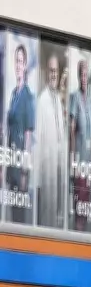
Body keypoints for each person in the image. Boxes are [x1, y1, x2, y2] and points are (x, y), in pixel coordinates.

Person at [34, 52, 67, 228]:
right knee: (46, 214)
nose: (54, 74)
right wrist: (37, 178)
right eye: (51, 71)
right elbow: (37, 141)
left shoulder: (58, 101)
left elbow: (61, 138)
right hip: (46, 170)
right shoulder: (42, 100)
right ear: (47, 73)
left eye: (56, 71)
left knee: (56, 214)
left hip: (58, 169)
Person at [6, 43, 35, 224]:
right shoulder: (13, 94)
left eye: (21, 61)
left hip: (21, 165)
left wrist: (24, 170)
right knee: (11, 215)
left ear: (25, 66)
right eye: (16, 61)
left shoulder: (27, 95)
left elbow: (28, 135)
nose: (18, 65)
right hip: (11, 161)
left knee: (19, 218)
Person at [68, 58, 91, 232]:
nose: (84, 78)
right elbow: (72, 130)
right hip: (79, 159)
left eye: (86, 75)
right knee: (79, 197)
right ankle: (77, 231)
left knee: (87, 200)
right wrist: (73, 157)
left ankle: (84, 231)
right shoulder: (75, 98)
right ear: (79, 77)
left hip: (88, 162)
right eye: (82, 75)